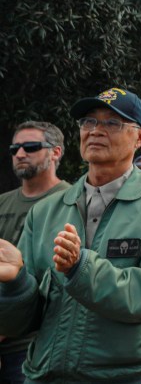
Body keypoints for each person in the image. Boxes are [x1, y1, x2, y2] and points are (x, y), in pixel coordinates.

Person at [0, 87, 141, 383]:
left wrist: (81, 268)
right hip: (45, 374)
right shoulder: (45, 211)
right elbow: (26, 320)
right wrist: (15, 284)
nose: (95, 131)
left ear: (140, 137)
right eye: (88, 122)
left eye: (112, 123)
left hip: (125, 376)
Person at [0, 121, 70, 384]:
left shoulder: (73, 202)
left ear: (56, 152)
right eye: (14, 148)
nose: (20, 153)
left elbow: (55, 280)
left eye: (30, 147)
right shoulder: (3, 202)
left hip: (34, 346)